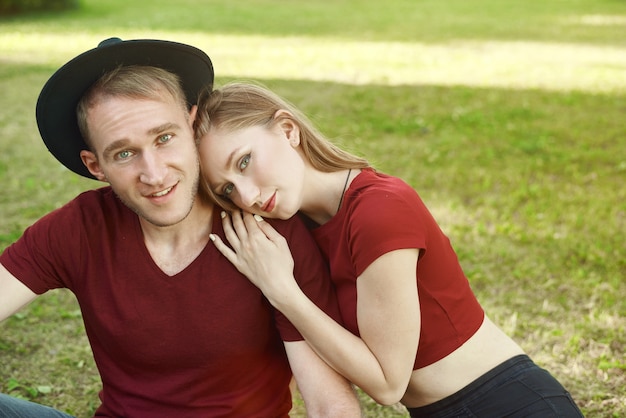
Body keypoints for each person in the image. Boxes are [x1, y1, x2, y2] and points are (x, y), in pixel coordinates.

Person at [0, 39, 362, 417]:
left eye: (164, 138)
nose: (154, 175)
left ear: (191, 125)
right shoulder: (81, 228)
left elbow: (329, 404)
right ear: (95, 166)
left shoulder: (270, 238)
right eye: (124, 154)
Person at [193, 81, 585, 417]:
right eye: (226, 188)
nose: (245, 195)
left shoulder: (378, 209)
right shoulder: (301, 229)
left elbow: (387, 383)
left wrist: (283, 292)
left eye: (244, 161)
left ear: (288, 130)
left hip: (504, 403)